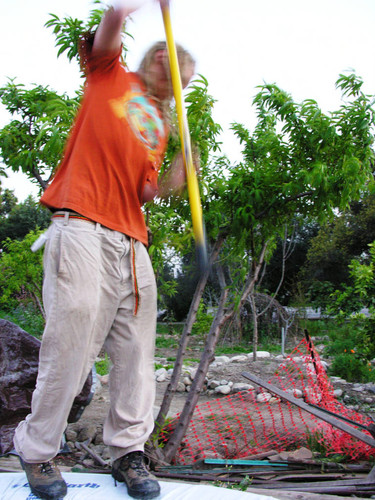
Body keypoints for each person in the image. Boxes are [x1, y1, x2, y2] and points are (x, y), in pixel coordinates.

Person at [13, 1, 195, 499]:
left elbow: (142, 193)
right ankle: (38, 451)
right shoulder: (108, 75)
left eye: (181, 67)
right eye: (165, 56)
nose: (170, 65)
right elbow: (111, 25)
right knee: (71, 337)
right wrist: (123, 8)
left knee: (136, 353)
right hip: (81, 226)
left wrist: (175, 178)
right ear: (151, 58)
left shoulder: (157, 128)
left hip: (132, 241)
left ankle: (128, 453)